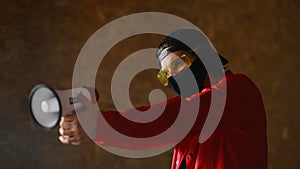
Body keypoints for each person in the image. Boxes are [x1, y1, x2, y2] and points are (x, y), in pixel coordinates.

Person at [59, 29, 268, 169]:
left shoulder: (238, 91)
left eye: (178, 65)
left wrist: (98, 125)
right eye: (165, 75)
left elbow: (169, 119)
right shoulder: (188, 129)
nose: (174, 78)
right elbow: (149, 134)